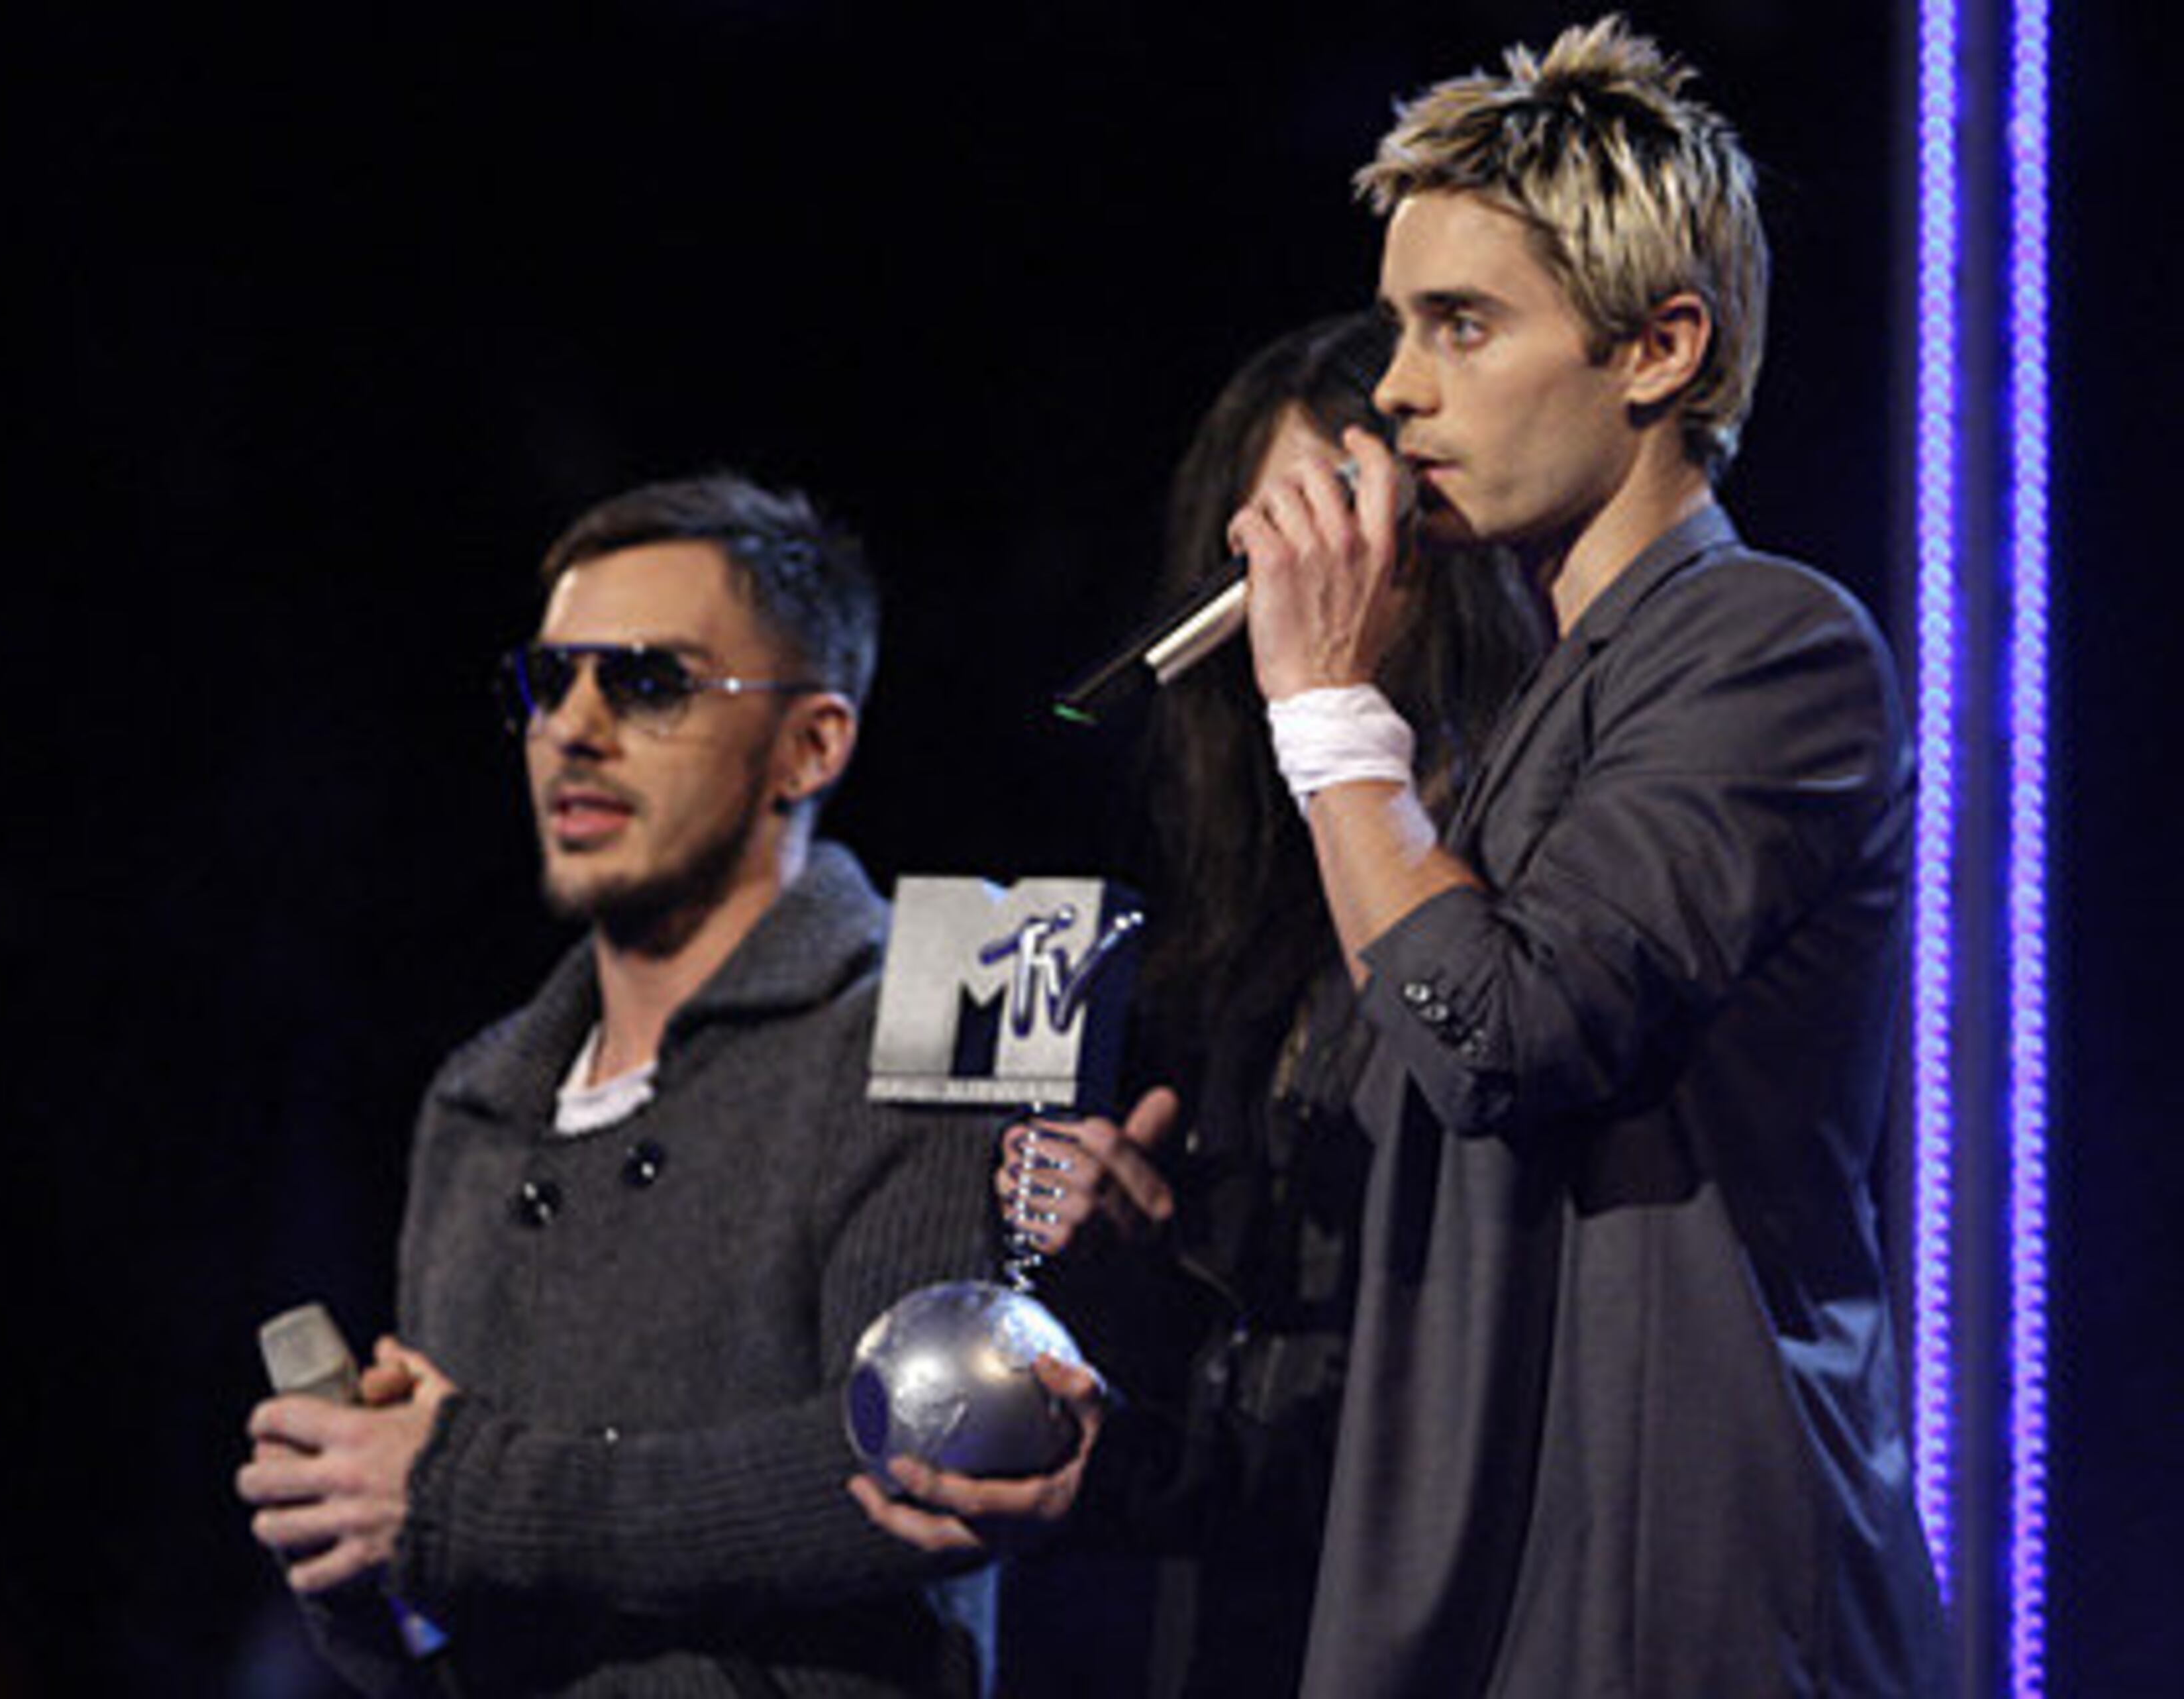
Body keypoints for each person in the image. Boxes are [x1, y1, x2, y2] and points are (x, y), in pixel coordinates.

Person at [864, 19, 1952, 1695]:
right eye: (1401, 326)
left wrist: (1321, 707)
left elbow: (1503, 1030)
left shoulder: (1768, 644)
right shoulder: (1512, 742)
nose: (1398, 388)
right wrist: (1169, 1273)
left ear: (1661, 348)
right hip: (1478, 1601)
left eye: (1462, 324)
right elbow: (1414, 1291)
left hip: (1681, 1610)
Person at [239, 474, 1002, 1697]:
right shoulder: (479, 1100)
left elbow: (904, 1470)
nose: (574, 727)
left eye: (649, 681)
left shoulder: (922, 1034)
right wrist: (356, 1544)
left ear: (811, 742)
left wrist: (451, 1492)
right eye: (548, 683)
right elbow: (441, 1602)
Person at [981, 310, 1544, 1698]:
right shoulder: (1251, 922)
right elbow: (1240, 1418)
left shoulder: (1512, 871)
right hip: (1275, 1605)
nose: (1290, 572)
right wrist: (1140, 1269)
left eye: (1332, 516)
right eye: (1261, 534)